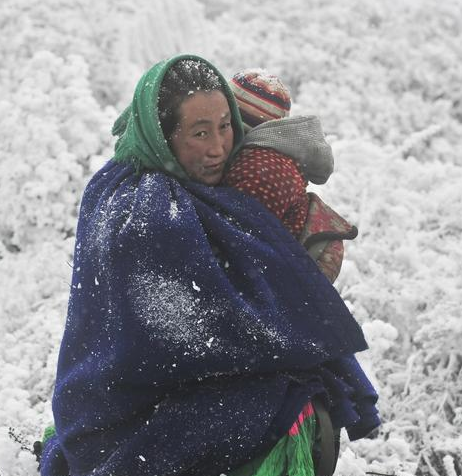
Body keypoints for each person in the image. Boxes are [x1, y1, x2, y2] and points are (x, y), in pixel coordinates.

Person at [38, 54, 379, 476]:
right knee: (295, 395)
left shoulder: (196, 193)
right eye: (200, 133)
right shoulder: (142, 209)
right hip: (126, 409)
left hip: (172, 387)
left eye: (225, 126)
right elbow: (186, 335)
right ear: (163, 135)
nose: (219, 148)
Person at [223, 69, 357, 283]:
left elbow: (234, 244)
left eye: (222, 124)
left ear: (239, 127)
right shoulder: (265, 159)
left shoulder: (260, 170)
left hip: (297, 277)